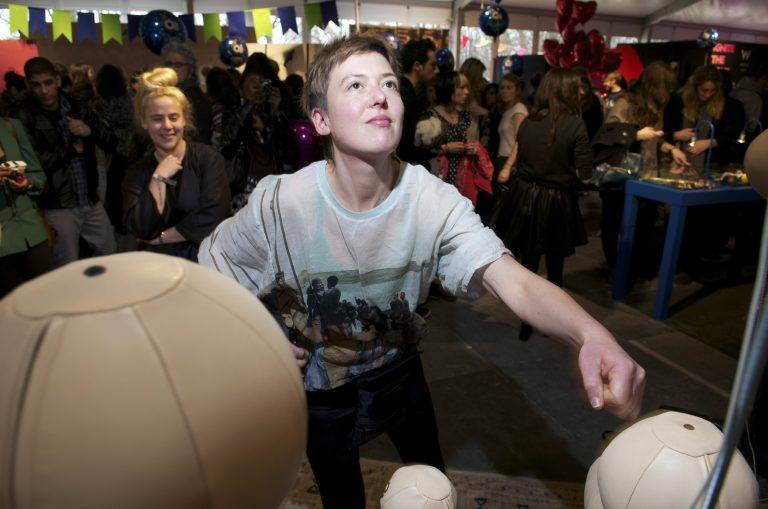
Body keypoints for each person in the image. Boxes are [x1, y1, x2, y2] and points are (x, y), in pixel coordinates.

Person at [199, 34, 645, 508]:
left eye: (388, 84)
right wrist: (257, 336)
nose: (379, 96)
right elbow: (211, 270)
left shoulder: (432, 199)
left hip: (398, 368)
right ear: (321, 119)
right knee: (341, 496)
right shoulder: (281, 203)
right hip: (320, 386)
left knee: (433, 485)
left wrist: (591, 334)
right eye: (355, 85)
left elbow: (509, 277)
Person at [491, 68, 592, 341]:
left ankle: (526, 324)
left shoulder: (529, 122)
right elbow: (585, 173)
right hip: (556, 201)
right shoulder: (575, 124)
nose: (581, 92)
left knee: (529, 265)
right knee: (555, 268)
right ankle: (554, 323)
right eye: (577, 87)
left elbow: (522, 157)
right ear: (567, 91)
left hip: (525, 197)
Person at [17, 57, 116, 268]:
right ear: (28, 85)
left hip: (88, 198)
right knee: (66, 265)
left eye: (48, 82)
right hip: (57, 203)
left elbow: (111, 139)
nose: (44, 90)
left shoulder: (75, 105)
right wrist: (71, 150)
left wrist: (89, 131)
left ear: (58, 80)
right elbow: (30, 162)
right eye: (36, 85)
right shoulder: (24, 115)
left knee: (109, 251)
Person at [122, 68, 230, 261]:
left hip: (205, 261)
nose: (167, 126)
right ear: (144, 122)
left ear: (184, 119)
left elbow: (214, 214)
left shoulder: (208, 159)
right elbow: (139, 227)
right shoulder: (137, 171)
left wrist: (162, 238)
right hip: (159, 266)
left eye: (173, 117)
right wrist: (159, 178)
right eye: (157, 119)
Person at [0, 115, 52, 297]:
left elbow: (38, 174)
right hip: (3, 243)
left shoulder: (11, 126)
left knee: (47, 295)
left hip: (31, 230)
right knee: (10, 305)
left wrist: (28, 182)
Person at [396, 38, 437, 171]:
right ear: (417, 66)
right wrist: (438, 151)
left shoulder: (404, 91)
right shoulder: (405, 97)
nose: (436, 70)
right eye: (432, 65)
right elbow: (405, 149)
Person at [161, 41, 212, 144]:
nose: (172, 68)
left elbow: (198, 138)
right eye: (169, 64)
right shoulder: (162, 93)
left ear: (190, 69)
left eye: (178, 65)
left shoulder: (196, 98)